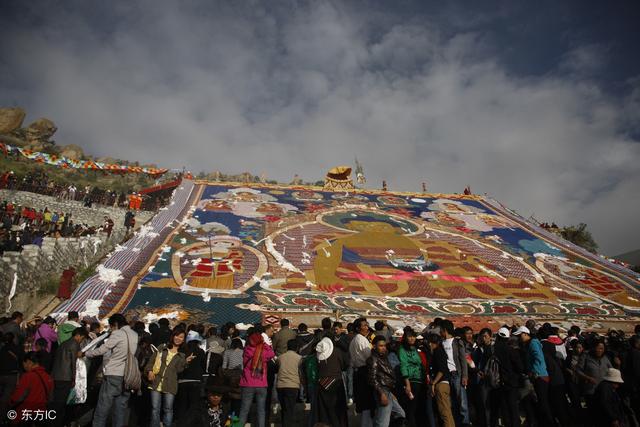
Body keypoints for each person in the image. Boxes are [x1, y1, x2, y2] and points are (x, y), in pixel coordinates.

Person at [82, 313, 139, 427]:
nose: (111, 330)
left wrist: (86, 353)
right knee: (120, 410)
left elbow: (103, 349)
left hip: (114, 374)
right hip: (128, 375)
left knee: (103, 407)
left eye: (111, 327)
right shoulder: (134, 334)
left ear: (116, 324)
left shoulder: (117, 334)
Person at [144, 328, 190, 427]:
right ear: (173, 336)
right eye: (176, 335)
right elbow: (151, 362)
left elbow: (178, 370)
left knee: (168, 409)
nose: (178, 338)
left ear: (184, 340)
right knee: (155, 408)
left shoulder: (182, 354)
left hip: (170, 384)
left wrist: (186, 362)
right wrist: (149, 371)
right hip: (156, 381)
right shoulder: (162, 347)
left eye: (181, 337)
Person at [513, 325, 556, 426]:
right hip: (539, 375)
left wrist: (534, 372)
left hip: (540, 375)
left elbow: (539, 358)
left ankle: (551, 423)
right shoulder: (530, 343)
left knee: (543, 403)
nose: (519, 338)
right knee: (540, 402)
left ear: (525, 334)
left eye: (520, 335)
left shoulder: (533, 343)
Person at [237, 328, 275, 427]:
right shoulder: (264, 352)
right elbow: (272, 353)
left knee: (244, 409)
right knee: (261, 410)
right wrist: (265, 344)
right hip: (261, 384)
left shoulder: (247, 350)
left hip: (248, 383)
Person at [51, 327, 88, 427]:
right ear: (78, 335)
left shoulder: (64, 343)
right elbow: (73, 362)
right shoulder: (74, 343)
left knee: (56, 401)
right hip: (65, 377)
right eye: (83, 338)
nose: (82, 341)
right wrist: (74, 378)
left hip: (56, 375)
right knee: (60, 404)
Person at [368, 335, 405, 427]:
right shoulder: (373, 359)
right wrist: (382, 393)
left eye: (384, 345)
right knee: (382, 423)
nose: (383, 348)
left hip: (388, 391)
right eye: (380, 346)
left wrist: (391, 394)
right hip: (382, 390)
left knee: (400, 414)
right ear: (374, 346)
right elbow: (372, 379)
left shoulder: (383, 357)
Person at [440, 319, 470, 426]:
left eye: (441, 329)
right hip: (447, 376)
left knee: (462, 401)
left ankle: (465, 423)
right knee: (451, 402)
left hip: (457, 374)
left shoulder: (457, 342)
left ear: (445, 330)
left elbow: (463, 360)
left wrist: (464, 376)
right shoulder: (441, 343)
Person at [9, 351, 53, 424]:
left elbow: (18, 397)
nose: (24, 367)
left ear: (29, 362)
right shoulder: (49, 377)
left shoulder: (28, 376)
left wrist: (10, 403)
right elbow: (51, 398)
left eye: (24, 364)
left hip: (26, 414)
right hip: (41, 415)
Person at [492, 327, 523, 427]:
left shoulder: (494, 349)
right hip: (511, 381)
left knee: (504, 406)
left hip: (498, 381)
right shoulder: (510, 350)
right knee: (513, 406)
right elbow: (519, 366)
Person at [576, 340, 613, 421]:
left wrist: (618, 365)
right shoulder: (586, 356)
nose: (600, 350)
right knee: (593, 413)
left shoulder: (605, 358)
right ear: (593, 348)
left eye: (602, 348)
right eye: (598, 348)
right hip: (591, 390)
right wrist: (588, 378)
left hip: (603, 390)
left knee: (603, 413)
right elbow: (578, 370)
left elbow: (612, 371)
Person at [316, 336, 349, 427]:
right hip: (336, 382)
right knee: (338, 409)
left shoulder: (317, 353)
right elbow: (345, 364)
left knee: (324, 411)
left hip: (322, 383)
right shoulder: (337, 352)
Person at [176, 331, 206, 424]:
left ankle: (181, 424)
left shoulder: (181, 351)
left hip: (182, 381)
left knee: (182, 406)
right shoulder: (201, 351)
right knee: (193, 406)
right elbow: (204, 366)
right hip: (195, 381)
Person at [349, 317, 375, 427]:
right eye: (364, 325)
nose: (367, 327)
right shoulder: (362, 340)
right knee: (367, 403)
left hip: (358, 372)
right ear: (358, 328)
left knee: (363, 402)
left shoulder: (354, 340)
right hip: (365, 371)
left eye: (367, 324)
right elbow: (369, 358)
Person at [397, 328, 426, 427]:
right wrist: (407, 384)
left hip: (418, 380)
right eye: (409, 336)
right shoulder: (402, 349)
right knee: (410, 409)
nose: (412, 338)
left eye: (413, 336)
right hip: (410, 381)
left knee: (415, 408)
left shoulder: (415, 348)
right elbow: (403, 365)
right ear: (405, 338)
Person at [427, 334, 455, 427]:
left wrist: (433, 383)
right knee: (447, 412)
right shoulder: (441, 351)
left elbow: (441, 370)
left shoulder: (438, 352)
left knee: (445, 413)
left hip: (441, 385)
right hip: (444, 384)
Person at [276, 339, 303, 426]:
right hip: (292, 386)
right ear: (297, 348)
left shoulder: (280, 357)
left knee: (284, 408)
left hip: (280, 386)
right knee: (290, 410)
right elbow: (300, 372)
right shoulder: (299, 358)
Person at [0, 333, 22, 417]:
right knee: (7, 396)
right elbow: (21, 361)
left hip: (1, 373)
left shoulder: (2, 348)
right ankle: (3, 416)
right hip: (12, 375)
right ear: (13, 339)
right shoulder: (17, 348)